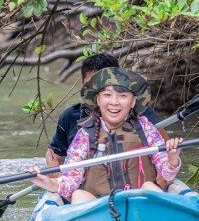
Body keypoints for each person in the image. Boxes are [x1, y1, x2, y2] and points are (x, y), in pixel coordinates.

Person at [30, 67, 183, 205]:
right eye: (107, 95)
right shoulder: (85, 134)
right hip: (100, 208)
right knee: (78, 195)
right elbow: (71, 179)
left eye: (122, 96)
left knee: (149, 186)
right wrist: (49, 184)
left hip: (141, 203)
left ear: (133, 102)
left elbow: (166, 174)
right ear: (98, 99)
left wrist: (172, 159)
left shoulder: (146, 129)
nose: (114, 102)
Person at [45, 53, 160, 166]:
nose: (97, 90)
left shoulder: (140, 114)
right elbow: (54, 155)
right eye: (92, 84)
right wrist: (58, 180)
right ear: (83, 83)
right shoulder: (70, 116)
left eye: (104, 85)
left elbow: (163, 148)